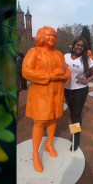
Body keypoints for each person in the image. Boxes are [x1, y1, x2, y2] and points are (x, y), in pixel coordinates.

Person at [22, 26, 71, 172]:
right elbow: (26, 72)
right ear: (41, 36)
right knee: (39, 122)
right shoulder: (33, 52)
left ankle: (49, 143)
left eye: (54, 36)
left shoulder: (59, 54)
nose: (52, 38)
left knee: (53, 118)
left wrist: (65, 75)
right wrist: (49, 77)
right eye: (49, 35)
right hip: (40, 93)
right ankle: (35, 154)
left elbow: (66, 70)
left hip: (57, 92)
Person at [64, 37, 93, 151]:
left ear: (84, 48)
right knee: (72, 112)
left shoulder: (86, 60)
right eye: (77, 45)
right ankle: (74, 133)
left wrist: (86, 80)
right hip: (67, 88)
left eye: (82, 46)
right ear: (73, 45)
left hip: (80, 89)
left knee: (76, 113)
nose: (79, 47)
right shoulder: (65, 56)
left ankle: (76, 137)